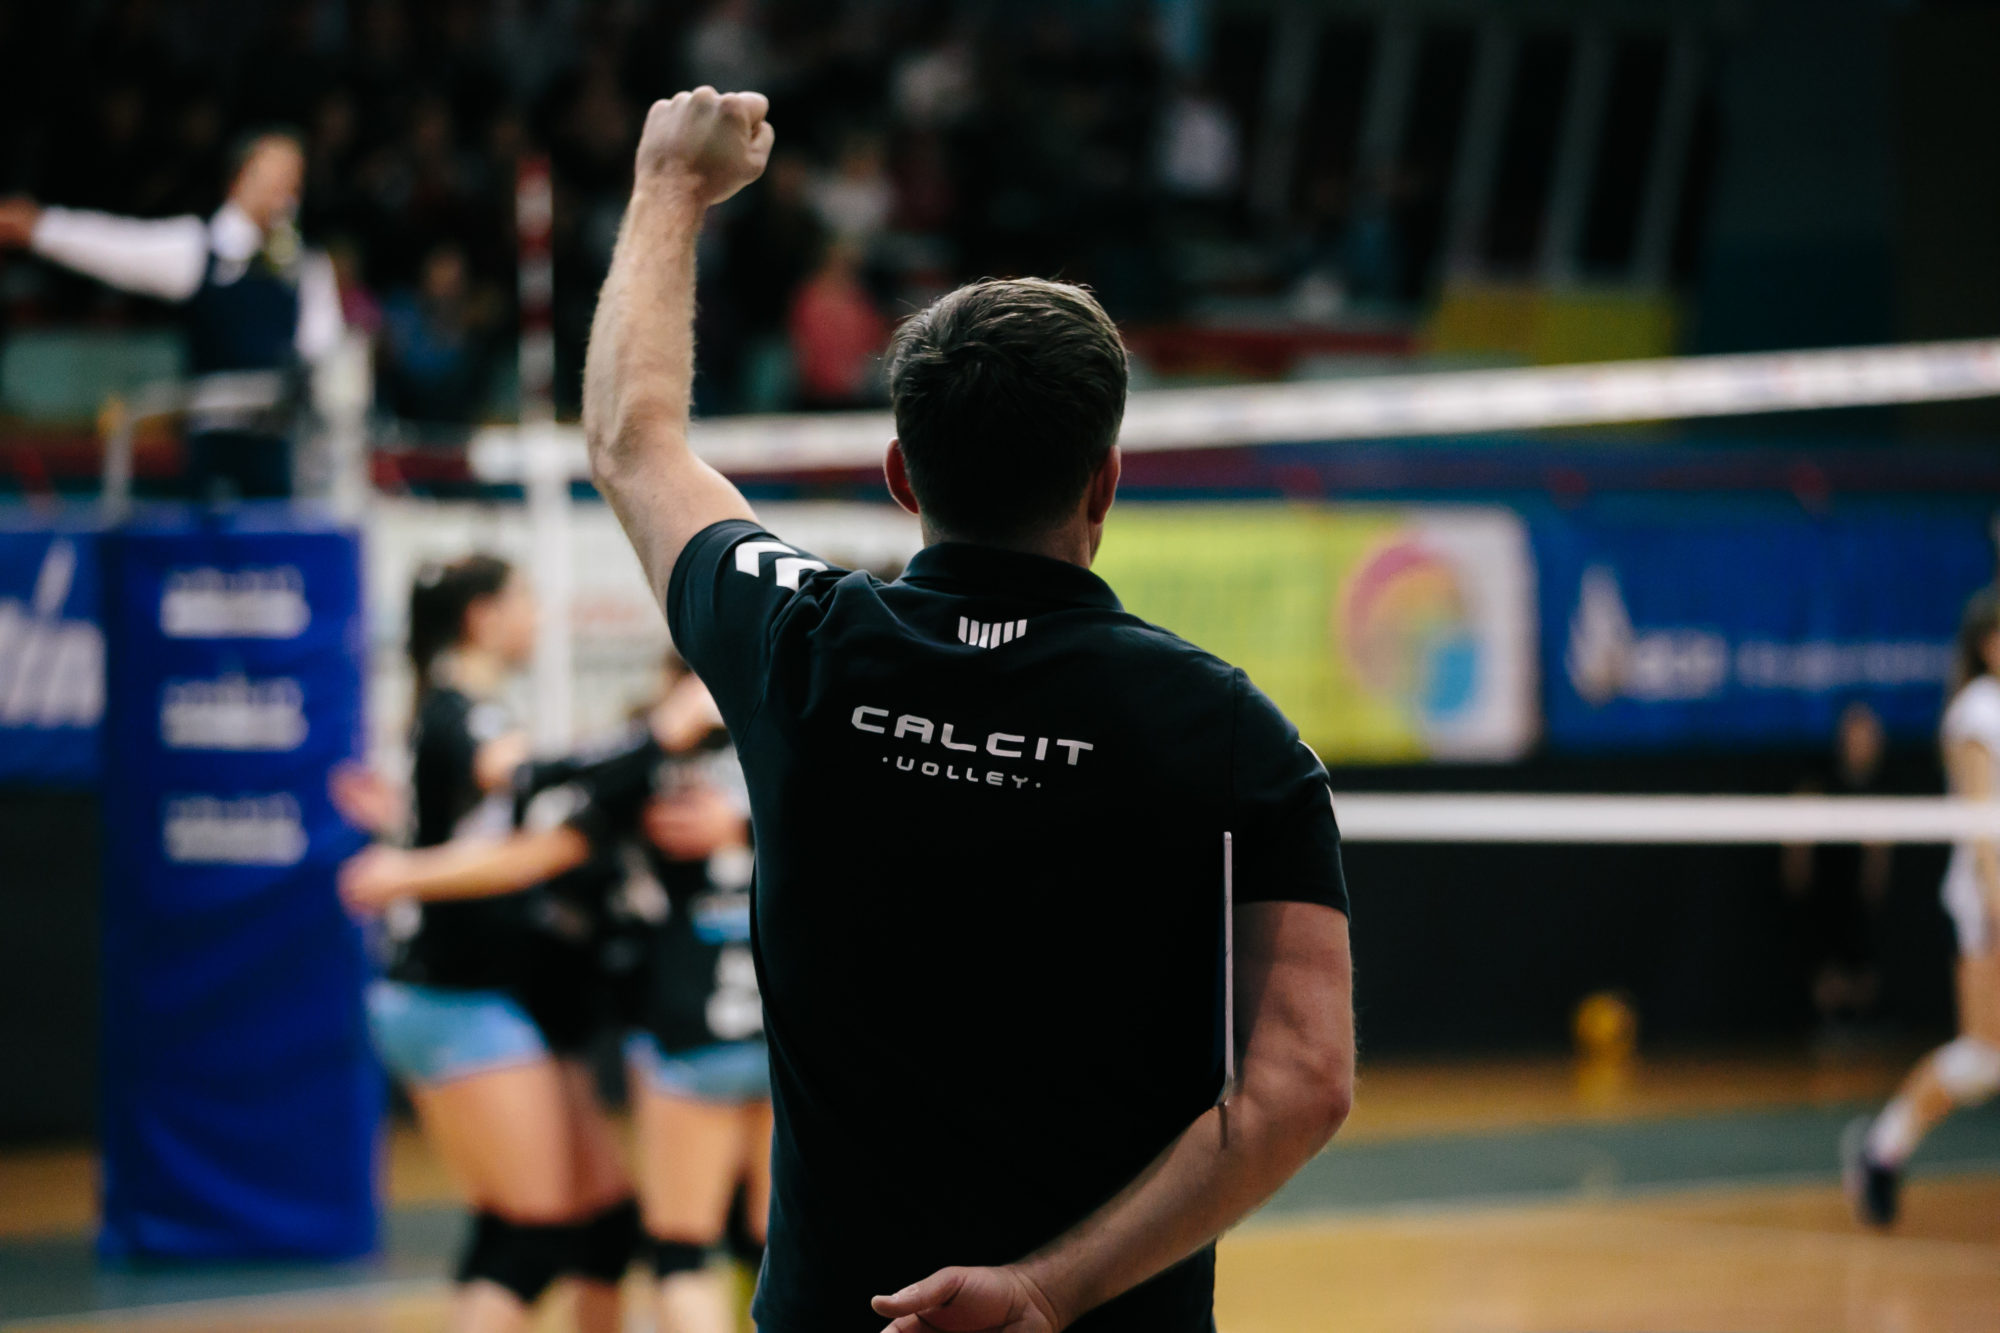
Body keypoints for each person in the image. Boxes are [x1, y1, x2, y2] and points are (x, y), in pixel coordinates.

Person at [582, 88, 1355, 1333]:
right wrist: (1045, 1288)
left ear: (901, 474)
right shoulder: (1230, 732)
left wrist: (669, 183)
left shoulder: (797, 645)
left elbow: (633, 442)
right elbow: (1304, 1082)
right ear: (1104, 481)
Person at [344, 666, 773, 1333]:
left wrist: (406, 867)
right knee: (757, 1241)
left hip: (687, 1025)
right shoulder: (782, 761)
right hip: (775, 1028)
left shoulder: (651, 776)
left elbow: (538, 848)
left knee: (668, 1247)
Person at [335, 555, 635, 1333]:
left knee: (603, 1222)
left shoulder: (443, 710)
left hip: (477, 995)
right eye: (524, 600)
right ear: (482, 615)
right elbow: (523, 781)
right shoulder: (465, 713)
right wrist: (651, 739)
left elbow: (468, 822)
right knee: (529, 1235)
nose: (536, 617)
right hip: (456, 998)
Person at [0, 131, 343, 500]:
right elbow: (121, 247)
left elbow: (325, 357)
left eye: (293, 178)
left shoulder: (307, 266)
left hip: (284, 451)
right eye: (273, 174)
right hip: (213, 446)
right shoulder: (198, 247)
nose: (284, 188)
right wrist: (41, 227)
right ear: (239, 178)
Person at [1845, 591, 2000, 1226]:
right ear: (1987, 644)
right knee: (1986, 1055)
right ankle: (1881, 1151)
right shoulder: (1979, 710)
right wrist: (1996, 901)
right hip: (1989, 900)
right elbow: (1982, 821)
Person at [1784, 701, 1892, 1035]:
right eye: (1856, 735)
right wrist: (1797, 869)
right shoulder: (1820, 784)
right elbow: (1797, 841)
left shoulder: (1878, 788)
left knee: (1862, 962)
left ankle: (1860, 1024)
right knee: (1828, 964)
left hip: (1859, 894)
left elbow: (1879, 850)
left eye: (1869, 736)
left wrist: (1875, 878)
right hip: (1827, 887)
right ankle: (1830, 1024)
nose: (1863, 743)